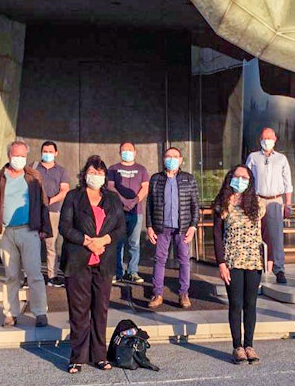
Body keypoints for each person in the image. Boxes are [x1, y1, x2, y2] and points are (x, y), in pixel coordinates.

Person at [60, 156, 126, 373]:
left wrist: (103, 241)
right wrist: (88, 242)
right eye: (92, 172)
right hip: (79, 260)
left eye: (99, 173)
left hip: (104, 262)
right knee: (79, 311)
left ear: (105, 176)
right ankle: (77, 357)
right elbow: (65, 227)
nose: (95, 177)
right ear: (84, 174)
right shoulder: (73, 196)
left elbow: (120, 228)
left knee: (100, 310)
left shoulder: (113, 199)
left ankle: (99, 355)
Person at [0, 140, 51, 328]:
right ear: (8, 156)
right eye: (16, 155)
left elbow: (43, 203)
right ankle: (11, 313)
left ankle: (40, 312)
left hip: (29, 230)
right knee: (11, 275)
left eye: (22, 156)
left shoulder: (34, 177)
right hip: (6, 232)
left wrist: (45, 228)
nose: (19, 159)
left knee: (34, 274)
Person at [213, 165, 266, 364]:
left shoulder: (258, 203)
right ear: (230, 178)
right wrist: (221, 263)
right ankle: (237, 346)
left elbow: (264, 230)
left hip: (253, 260)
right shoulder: (223, 203)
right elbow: (217, 234)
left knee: (250, 304)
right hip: (232, 260)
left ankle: (249, 345)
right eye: (237, 177)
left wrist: (269, 257)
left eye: (244, 177)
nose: (240, 180)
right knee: (235, 303)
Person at [146, 147, 200, 309]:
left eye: (175, 156)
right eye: (168, 156)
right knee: (159, 260)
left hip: (182, 227)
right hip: (161, 227)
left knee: (184, 260)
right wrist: (149, 226)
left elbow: (195, 205)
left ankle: (183, 294)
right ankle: (158, 293)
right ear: (163, 159)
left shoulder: (188, 179)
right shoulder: (156, 179)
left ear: (181, 160)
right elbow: (149, 204)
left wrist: (193, 226)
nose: (172, 159)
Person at [245, 127, 292, 284]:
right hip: (257, 199)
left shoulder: (281, 159)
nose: (267, 141)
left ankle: (279, 269)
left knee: (276, 235)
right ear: (260, 139)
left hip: (275, 200)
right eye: (264, 138)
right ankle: (256, 267)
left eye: (270, 138)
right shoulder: (253, 157)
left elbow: (288, 183)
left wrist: (288, 203)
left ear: (275, 139)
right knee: (254, 234)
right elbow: (247, 179)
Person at [107, 142, 149, 284]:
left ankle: (132, 272)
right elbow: (110, 187)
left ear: (135, 152)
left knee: (134, 243)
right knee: (117, 242)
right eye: (124, 150)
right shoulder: (113, 169)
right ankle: (117, 272)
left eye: (129, 150)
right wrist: (124, 201)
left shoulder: (141, 169)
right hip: (118, 211)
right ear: (119, 152)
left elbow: (145, 188)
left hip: (136, 211)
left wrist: (134, 201)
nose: (127, 152)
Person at [31, 141, 70, 287]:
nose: (47, 154)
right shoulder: (33, 167)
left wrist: (50, 201)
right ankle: (31, 275)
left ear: (56, 153)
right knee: (32, 244)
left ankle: (52, 276)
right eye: (44, 151)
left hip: (52, 211)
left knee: (51, 244)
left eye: (50, 151)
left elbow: (64, 190)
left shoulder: (61, 171)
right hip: (34, 211)